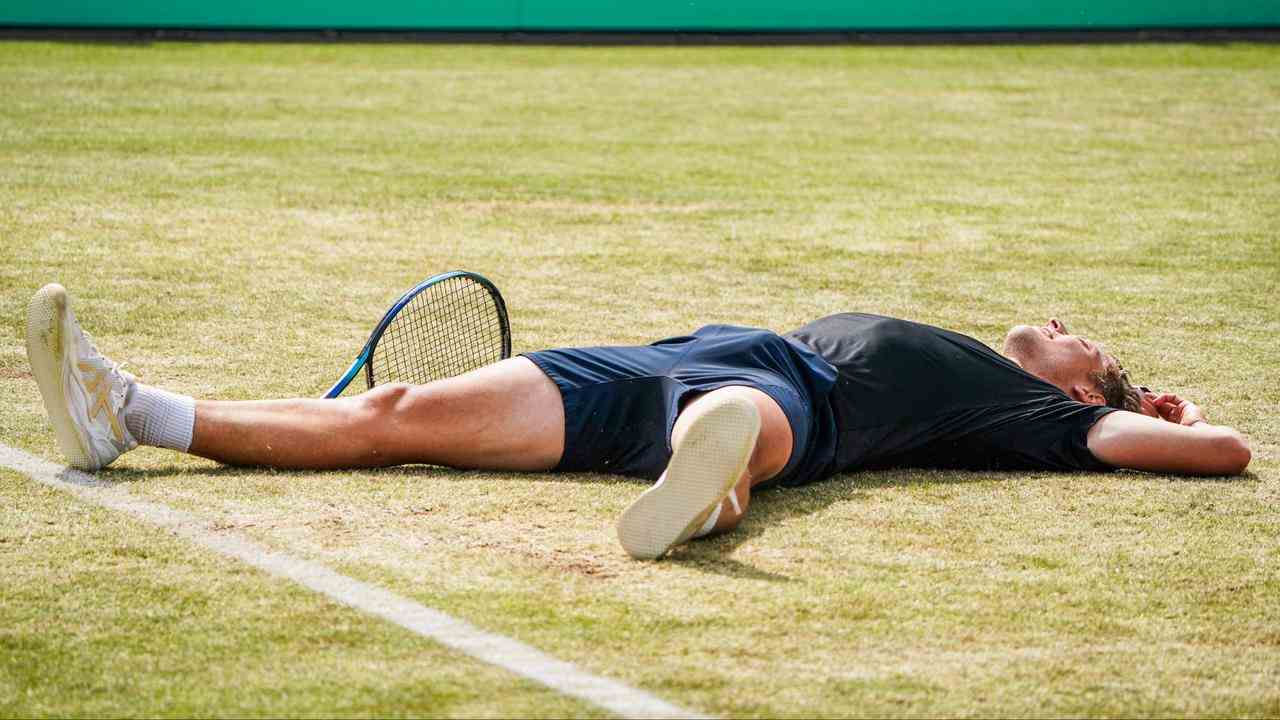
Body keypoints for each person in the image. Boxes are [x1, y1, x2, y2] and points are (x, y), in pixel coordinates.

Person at [24, 284, 1251, 560]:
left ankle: (711, 479)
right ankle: (127, 412)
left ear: (1097, 388)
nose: (1061, 323)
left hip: (794, 408)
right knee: (384, 412)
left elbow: (1221, 455)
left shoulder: (1035, 413)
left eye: (1085, 339)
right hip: (659, 365)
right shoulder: (1002, 368)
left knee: (742, 419)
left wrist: (1172, 418)